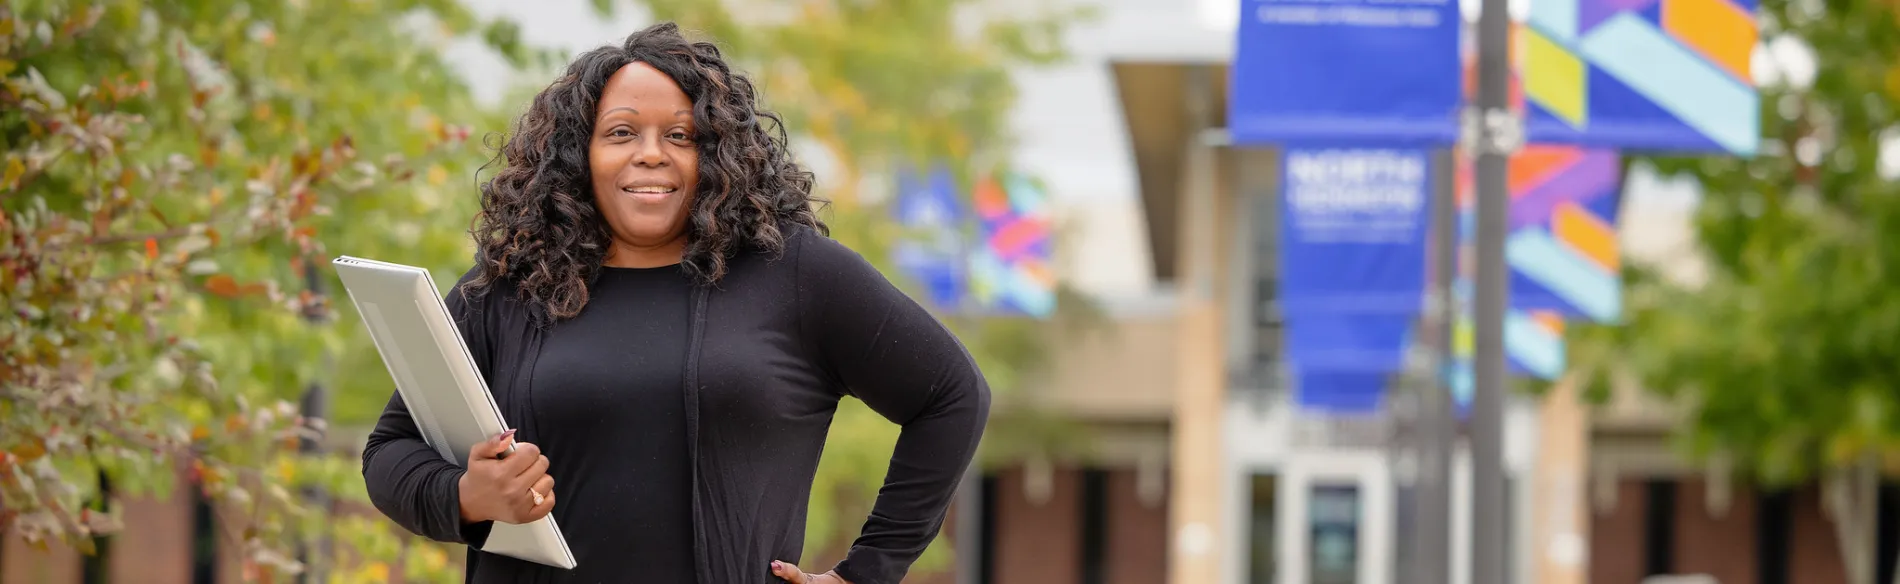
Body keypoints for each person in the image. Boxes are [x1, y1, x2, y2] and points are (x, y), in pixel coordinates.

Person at [360, 22, 991, 584]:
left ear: (717, 154)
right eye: (621, 132)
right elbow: (390, 451)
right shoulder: (513, 281)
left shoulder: (794, 273)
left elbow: (952, 397)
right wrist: (467, 496)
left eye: (683, 135)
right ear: (580, 154)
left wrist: (868, 571)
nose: (651, 153)